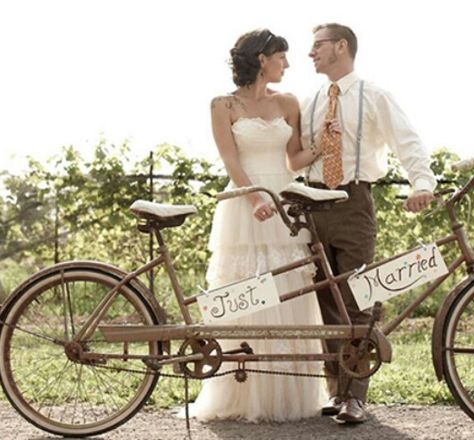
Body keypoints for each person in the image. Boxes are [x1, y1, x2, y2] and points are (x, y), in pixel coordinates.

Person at [183, 29, 328, 423]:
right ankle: (242, 394)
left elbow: (294, 159)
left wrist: (324, 145)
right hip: (246, 204)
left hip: (286, 201)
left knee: (290, 289)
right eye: (282, 56)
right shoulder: (223, 104)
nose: (288, 63)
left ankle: (288, 395)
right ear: (263, 58)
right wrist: (254, 200)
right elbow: (231, 161)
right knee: (247, 291)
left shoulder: (289, 102)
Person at [297, 23, 437, 424]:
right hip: (311, 202)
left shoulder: (375, 95)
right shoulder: (309, 101)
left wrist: (422, 182)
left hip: (354, 201)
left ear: (342, 47)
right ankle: (336, 391)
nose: (311, 53)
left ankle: (356, 395)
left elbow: (406, 140)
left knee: (359, 296)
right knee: (327, 303)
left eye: (318, 45)